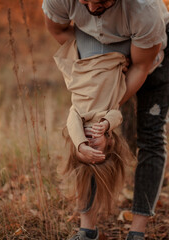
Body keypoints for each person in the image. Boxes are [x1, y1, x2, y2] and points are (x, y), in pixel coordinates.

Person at [43, 0, 169, 239]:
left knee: (151, 134)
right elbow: (58, 29)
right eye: (86, 1)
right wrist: (96, 70)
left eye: (103, 1)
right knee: (86, 137)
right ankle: (87, 229)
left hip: (147, 56)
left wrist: (103, 101)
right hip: (95, 48)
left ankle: (137, 232)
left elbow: (140, 65)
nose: (94, 8)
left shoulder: (143, 10)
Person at [54, 37, 132, 229]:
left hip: (85, 64)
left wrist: (79, 144)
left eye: (84, 145)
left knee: (58, 26)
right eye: (94, 146)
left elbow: (71, 122)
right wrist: (106, 124)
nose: (89, 141)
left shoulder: (78, 117)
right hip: (110, 60)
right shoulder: (107, 118)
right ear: (109, 141)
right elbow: (117, 115)